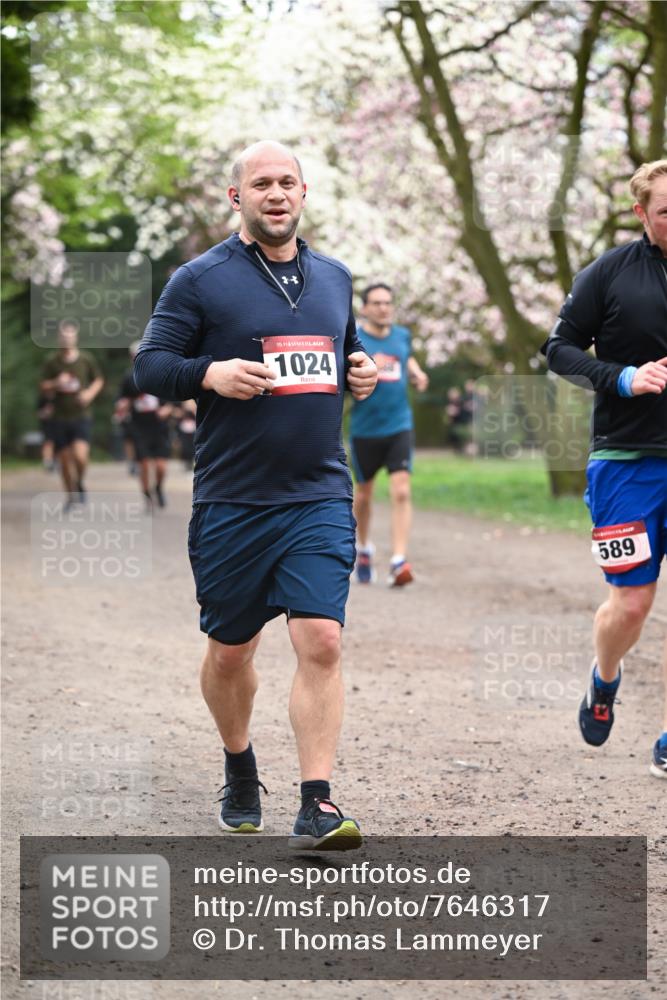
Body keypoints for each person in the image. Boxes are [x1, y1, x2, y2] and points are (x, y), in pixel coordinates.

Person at [134, 140, 377, 847]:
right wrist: (207, 374)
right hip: (234, 500)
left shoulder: (334, 277)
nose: (276, 194)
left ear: (303, 193)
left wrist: (359, 370)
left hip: (317, 493)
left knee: (321, 639)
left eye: (287, 183)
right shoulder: (199, 280)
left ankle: (316, 802)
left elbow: (343, 350)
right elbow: (151, 365)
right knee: (230, 653)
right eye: (261, 183)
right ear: (237, 197)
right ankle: (239, 762)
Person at [545, 159, 667, 779]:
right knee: (632, 604)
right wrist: (622, 377)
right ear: (642, 213)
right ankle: (605, 677)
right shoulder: (610, 272)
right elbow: (559, 349)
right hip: (627, 461)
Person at [349, 283, 429, 586]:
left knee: (402, 490)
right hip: (365, 428)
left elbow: (406, 357)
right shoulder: (355, 338)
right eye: (377, 303)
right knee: (363, 495)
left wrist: (417, 373)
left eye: (387, 303)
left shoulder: (402, 335)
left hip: (399, 425)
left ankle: (398, 560)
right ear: (365, 308)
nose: (383, 308)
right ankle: (363, 547)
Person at [40, 320, 104, 508]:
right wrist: (55, 383)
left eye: (69, 335)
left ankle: (79, 482)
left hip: (81, 415)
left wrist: (89, 394)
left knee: (80, 456)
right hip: (59, 417)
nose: (66, 339)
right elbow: (42, 386)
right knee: (65, 461)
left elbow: (98, 379)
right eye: (63, 336)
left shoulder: (85, 359)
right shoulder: (52, 361)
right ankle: (70, 496)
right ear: (58, 338)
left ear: (75, 338)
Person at [116, 341, 173, 510]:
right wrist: (122, 405)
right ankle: (147, 495)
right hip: (139, 426)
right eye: (135, 356)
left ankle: (158, 488)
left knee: (161, 466)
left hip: (159, 426)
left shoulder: (159, 374)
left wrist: (166, 410)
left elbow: (172, 400)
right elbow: (121, 400)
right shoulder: (128, 378)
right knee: (144, 465)